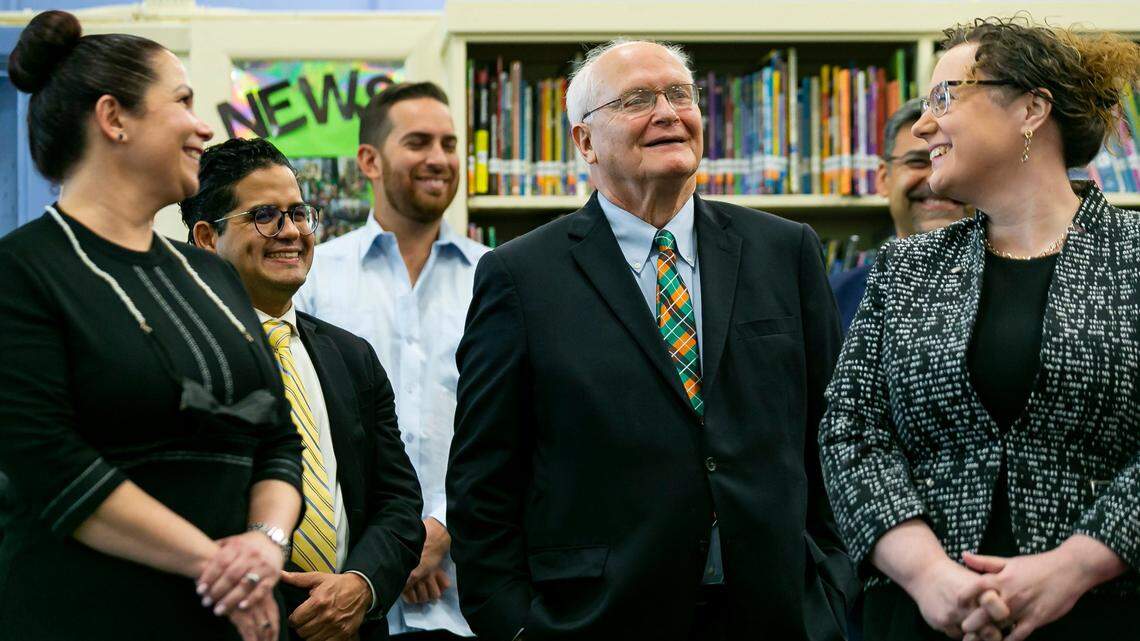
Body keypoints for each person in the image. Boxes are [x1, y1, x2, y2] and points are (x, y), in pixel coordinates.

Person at [446, 39, 856, 641]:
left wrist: (831, 585)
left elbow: (832, 432)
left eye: (679, 95)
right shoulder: (521, 276)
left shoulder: (785, 251)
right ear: (584, 141)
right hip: (597, 617)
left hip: (777, 612)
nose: (668, 112)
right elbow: (483, 480)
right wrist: (517, 626)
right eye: (637, 99)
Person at [819, 16, 1140, 641]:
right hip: (922, 617)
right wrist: (929, 576)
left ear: (1031, 109)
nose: (922, 125)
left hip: (1108, 610)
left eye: (946, 97)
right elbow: (849, 431)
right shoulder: (905, 267)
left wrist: (1074, 566)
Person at [0, 10, 304, 641]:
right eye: (184, 101)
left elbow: (278, 442)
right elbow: (53, 465)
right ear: (114, 119)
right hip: (83, 614)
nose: (202, 126)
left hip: (230, 612)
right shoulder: (21, 272)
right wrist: (217, 562)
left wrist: (266, 543)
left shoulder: (214, 276)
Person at [182, 137, 427, 641]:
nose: (291, 232)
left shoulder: (351, 356)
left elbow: (399, 503)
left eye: (298, 213)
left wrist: (361, 584)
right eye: (266, 216)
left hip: (348, 624)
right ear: (207, 237)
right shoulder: (176, 354)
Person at [296, 82, 485, 641]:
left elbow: (514, 423)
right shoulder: (312, 278)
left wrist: (437, 533)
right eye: (419, 141)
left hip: (466, 593)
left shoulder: (497, 277)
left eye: (450, 144)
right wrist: (387, 555)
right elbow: (304, 430)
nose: (439, 158)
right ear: (369, 161)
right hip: (342, 595)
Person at [829, 98, 969, 333]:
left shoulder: (1014, 289)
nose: (936, 180)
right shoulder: (835, 298)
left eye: (950, 158)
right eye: (917, 162)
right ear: (883, 179)